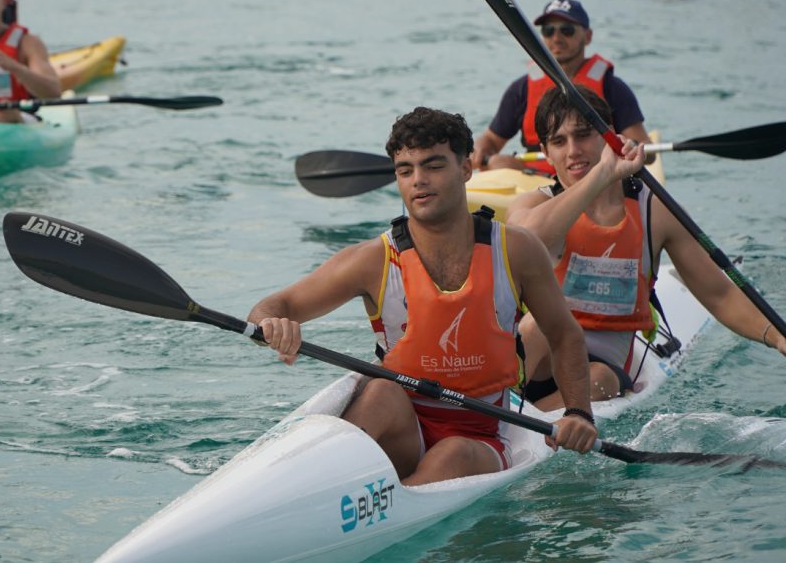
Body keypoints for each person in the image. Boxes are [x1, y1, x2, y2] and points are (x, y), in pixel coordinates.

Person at [248, 107, 598, 486]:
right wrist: (272, 325)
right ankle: (319, 486)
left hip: (480, 435)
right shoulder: (374, 260)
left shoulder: (517, 250)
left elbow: (564, 335)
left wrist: (578, 413)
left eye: (433, 166)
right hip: (404, 429)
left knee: (453, 453)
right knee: (381, 391)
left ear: (466, 169)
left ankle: (385, 499)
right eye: (405, 170)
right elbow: (273, 307)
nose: (418, 180)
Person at [507, 86, 786, 411]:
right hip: (535, 360)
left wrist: (776, 336)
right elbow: (526, 239)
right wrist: (601, 175)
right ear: (546, 153)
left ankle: (527, 419)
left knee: (599, 380)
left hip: (601, 369)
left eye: (584, 135)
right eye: (559, 141)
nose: (573, 151)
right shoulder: (532, 205)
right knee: (535, 326)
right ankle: (502, 405)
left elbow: (719, 295)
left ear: (609, 137)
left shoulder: (656, 211)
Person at [471, 0, 652, 175]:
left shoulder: (612, 87)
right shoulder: (521, 89)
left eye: (567, 30)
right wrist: (481, 147)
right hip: (534, 177)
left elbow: (648, 152)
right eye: (548, 31)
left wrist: (630, 148)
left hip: (594, 176)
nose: (556, 38)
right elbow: (492, 140)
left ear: (588, 36)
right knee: (498, 164)